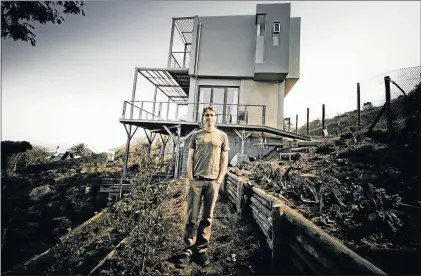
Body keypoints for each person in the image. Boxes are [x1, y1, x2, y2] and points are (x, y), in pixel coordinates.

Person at [177, 106, 230, 268]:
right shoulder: (196, 135)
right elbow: (190, 159)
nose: (209, 117)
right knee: (191, 217)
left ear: (216, 118)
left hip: (212, 182)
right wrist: (191, 179)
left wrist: (219, 179)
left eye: (212, 115)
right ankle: (188, 250)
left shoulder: (222, 136)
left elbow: (224, 160)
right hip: (197, 182)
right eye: (207, 115)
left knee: (207, 217)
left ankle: (201, 250)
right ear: (203, 118)